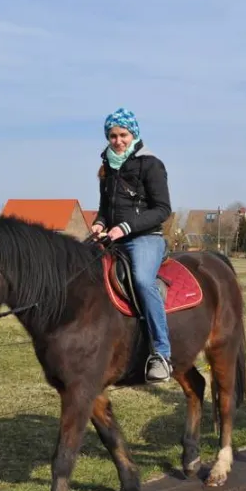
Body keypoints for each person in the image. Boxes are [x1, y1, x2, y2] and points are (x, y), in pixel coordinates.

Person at [91, 108, 175, 381]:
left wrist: (125, 227)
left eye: (123, 135)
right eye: (113, 136)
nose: (118, 141)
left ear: (134, 134)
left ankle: (161, 354)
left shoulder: (151, 164)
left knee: (142, 280)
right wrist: (99, 224)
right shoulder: (107, 167)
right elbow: (105, 209)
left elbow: (163, 209)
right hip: (113, 239)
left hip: (145, 239)